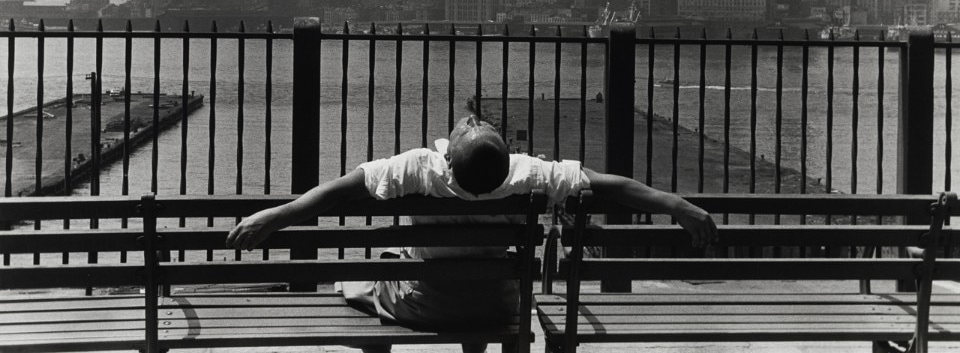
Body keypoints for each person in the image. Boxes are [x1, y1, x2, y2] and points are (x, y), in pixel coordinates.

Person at [226, 114, 717, 353]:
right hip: (498, 305)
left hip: (427, 305)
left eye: (469, 125)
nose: (470, 119)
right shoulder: (526, 174)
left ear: (449, 155)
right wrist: (680, 207)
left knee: (375, 272)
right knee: (484, 278)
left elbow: (338, 192)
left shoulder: (420, 168)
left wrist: (273, 216)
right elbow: (613, 186)